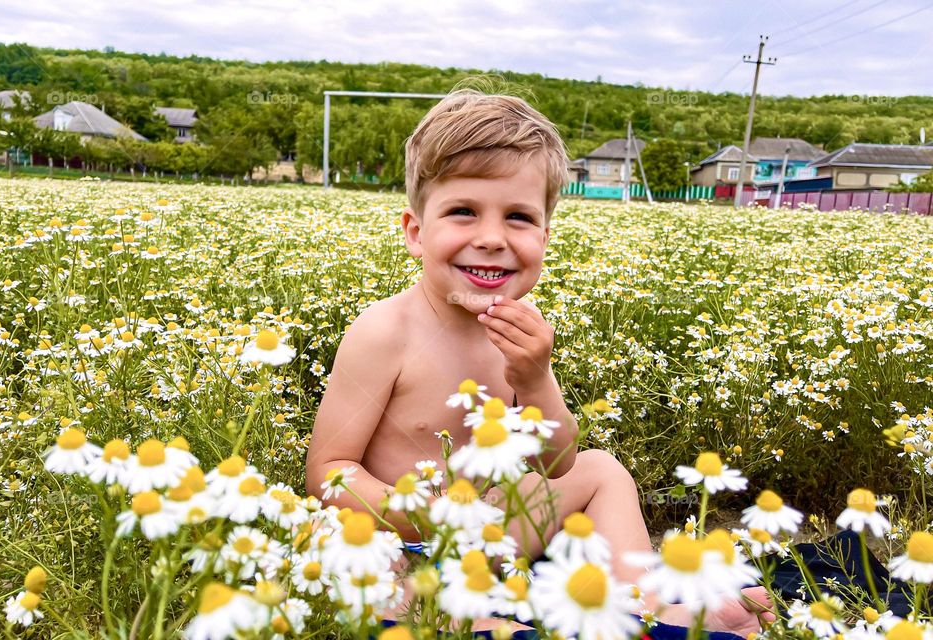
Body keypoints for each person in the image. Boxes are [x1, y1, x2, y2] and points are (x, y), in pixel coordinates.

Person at [305, 89, 770, 636]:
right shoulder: (385, 330)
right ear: (415, 232)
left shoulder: (523, 327)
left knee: (600, 470)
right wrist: (432, 515)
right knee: (331, 542)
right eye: (463, 212)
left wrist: (535, 377)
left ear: (545, 237)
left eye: (519, 218)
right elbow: (329, 472)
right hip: (396, 537)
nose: (492, 238)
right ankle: (474, 623)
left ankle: (646, 603)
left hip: (492, 533)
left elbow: (557, 464)